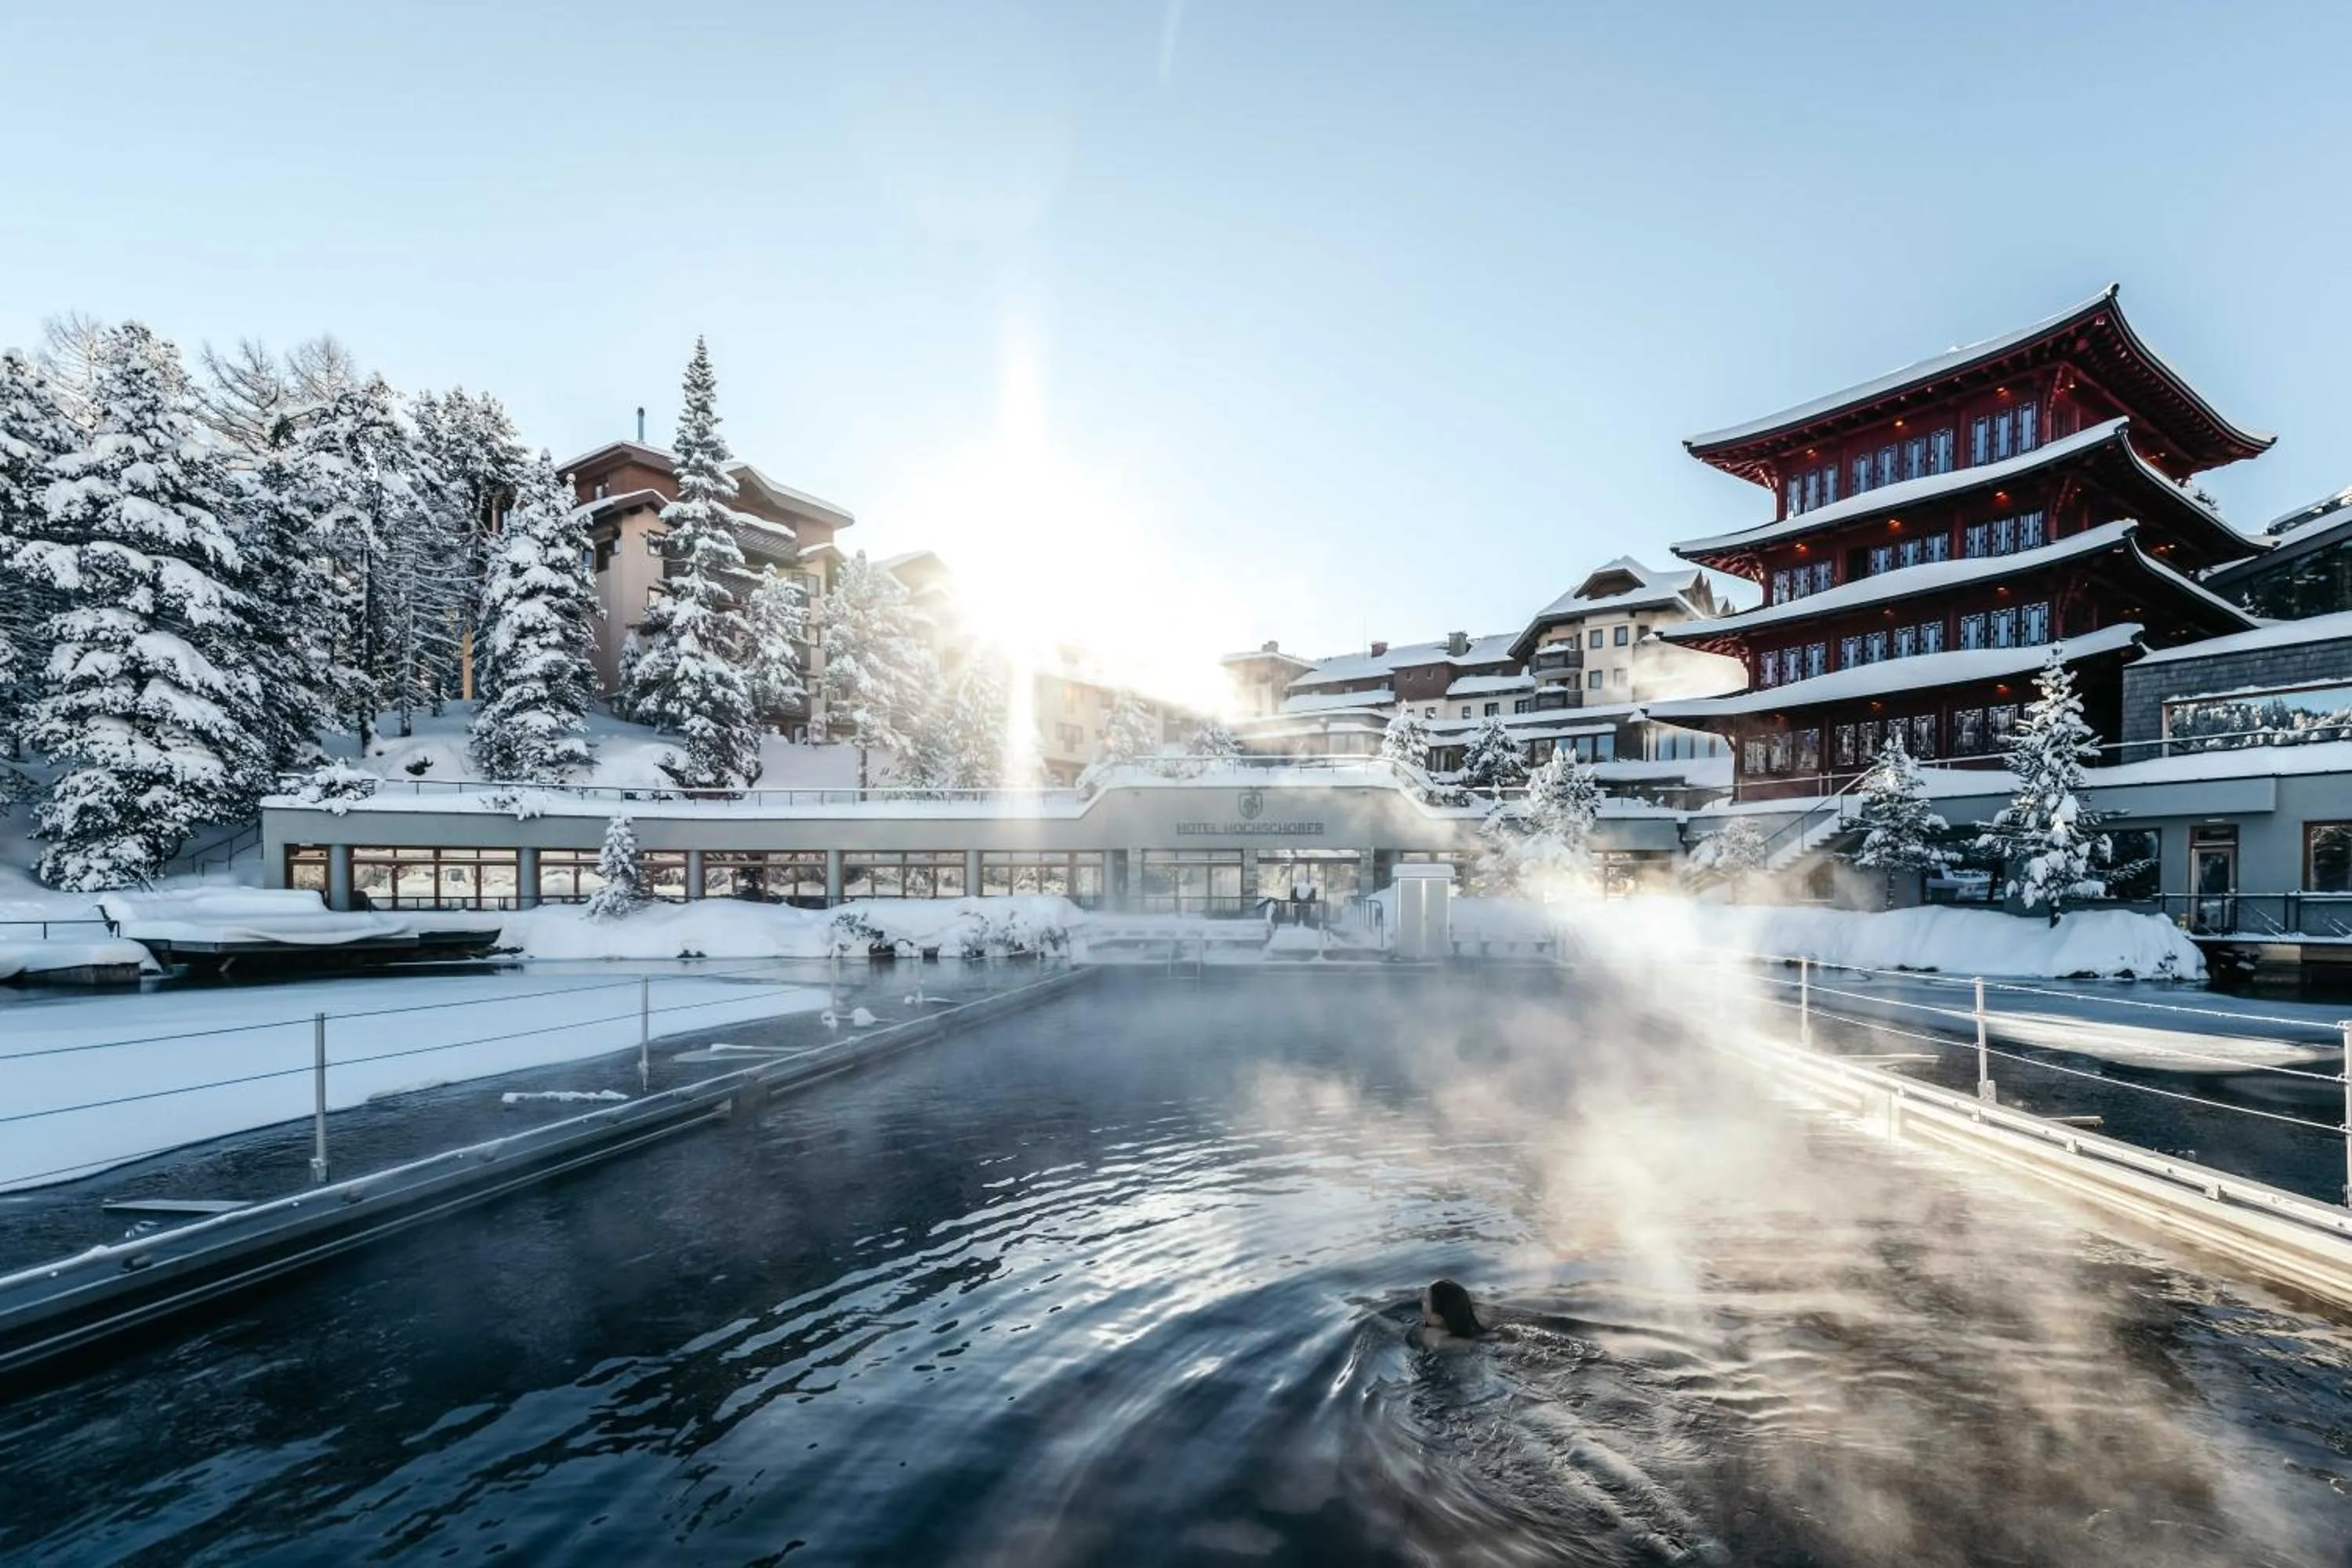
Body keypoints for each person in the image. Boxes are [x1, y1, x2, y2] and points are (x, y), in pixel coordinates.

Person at [1417, 1278, 1484, 1345]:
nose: (1421, 1301)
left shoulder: (1433, 1340)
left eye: (1425, 1301)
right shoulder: (1476, 1330)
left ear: (1438, 1318)